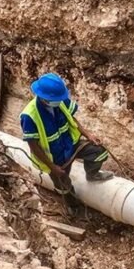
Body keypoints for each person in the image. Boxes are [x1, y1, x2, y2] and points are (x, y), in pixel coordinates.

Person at [20, 73, 113, 212]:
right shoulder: (29, 116)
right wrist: (52, 167)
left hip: (70, 145)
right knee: (63, 185)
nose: (60, 101)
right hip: (54, 157)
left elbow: (72, 119)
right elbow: (33, 146)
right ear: (44, 98)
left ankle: (92, 174)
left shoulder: (61, 100)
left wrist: (88, 135)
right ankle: (73, 206)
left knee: (98, 151)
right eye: (56, 99)